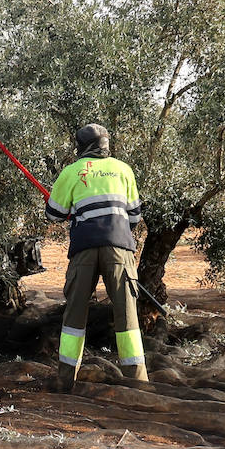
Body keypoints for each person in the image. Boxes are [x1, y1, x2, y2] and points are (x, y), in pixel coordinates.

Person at [45, 123, 148, 390]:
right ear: (106, 145)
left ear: (80, 146)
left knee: (75, 313)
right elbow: (135, 216)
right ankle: (138, 383)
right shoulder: (124, 169)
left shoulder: (71, 172)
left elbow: (53, 214)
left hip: (85, 249)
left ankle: (66, 380)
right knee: (127, 315)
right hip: (120, 247)